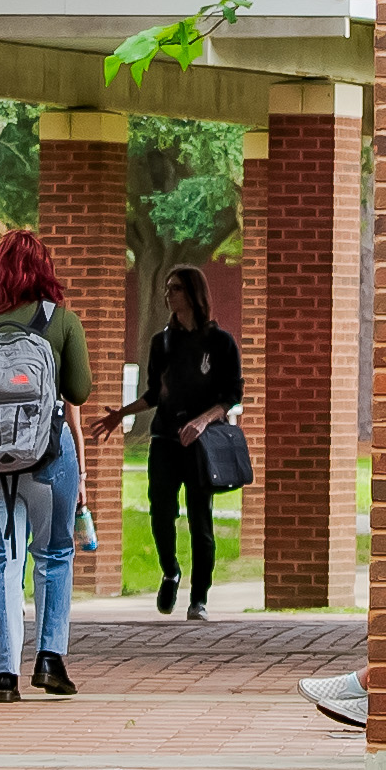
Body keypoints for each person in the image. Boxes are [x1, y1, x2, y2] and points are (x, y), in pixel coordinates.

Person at [0, 232, 102, 703]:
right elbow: (79, 390)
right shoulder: (61, 321)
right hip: (48, 458)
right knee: (54, 554)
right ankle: (49, 659)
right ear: (45, 269)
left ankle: (3, 676)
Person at [142, 264, 246, 618]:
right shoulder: (162, 343)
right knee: (161, 511)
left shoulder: (220, 343)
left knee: (200, 518)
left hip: (202, 445)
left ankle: (199, 597)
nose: (169, 294)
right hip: (165, 439)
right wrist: (117, 415)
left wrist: (203, 421)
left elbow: (232, 394)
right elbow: (154, 393)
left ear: (193, 294)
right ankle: (170, 571)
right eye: (167, 288)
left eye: (176, 288)